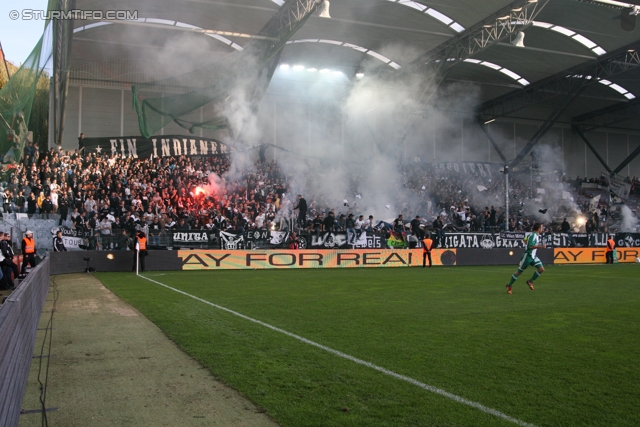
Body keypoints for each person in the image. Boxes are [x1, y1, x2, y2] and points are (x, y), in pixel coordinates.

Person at [506, 223, 546, 294]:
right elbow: (530, 246)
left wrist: (527, 242)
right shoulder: (533, 235)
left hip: (533, 256)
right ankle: (509, 286)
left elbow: (524, 240)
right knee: (519, 272)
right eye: (541, 228)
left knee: (541, 269)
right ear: (538, 229)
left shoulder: (533, 234)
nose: (542, 229)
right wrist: (541, 246)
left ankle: (530, 281)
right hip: (527, 256)